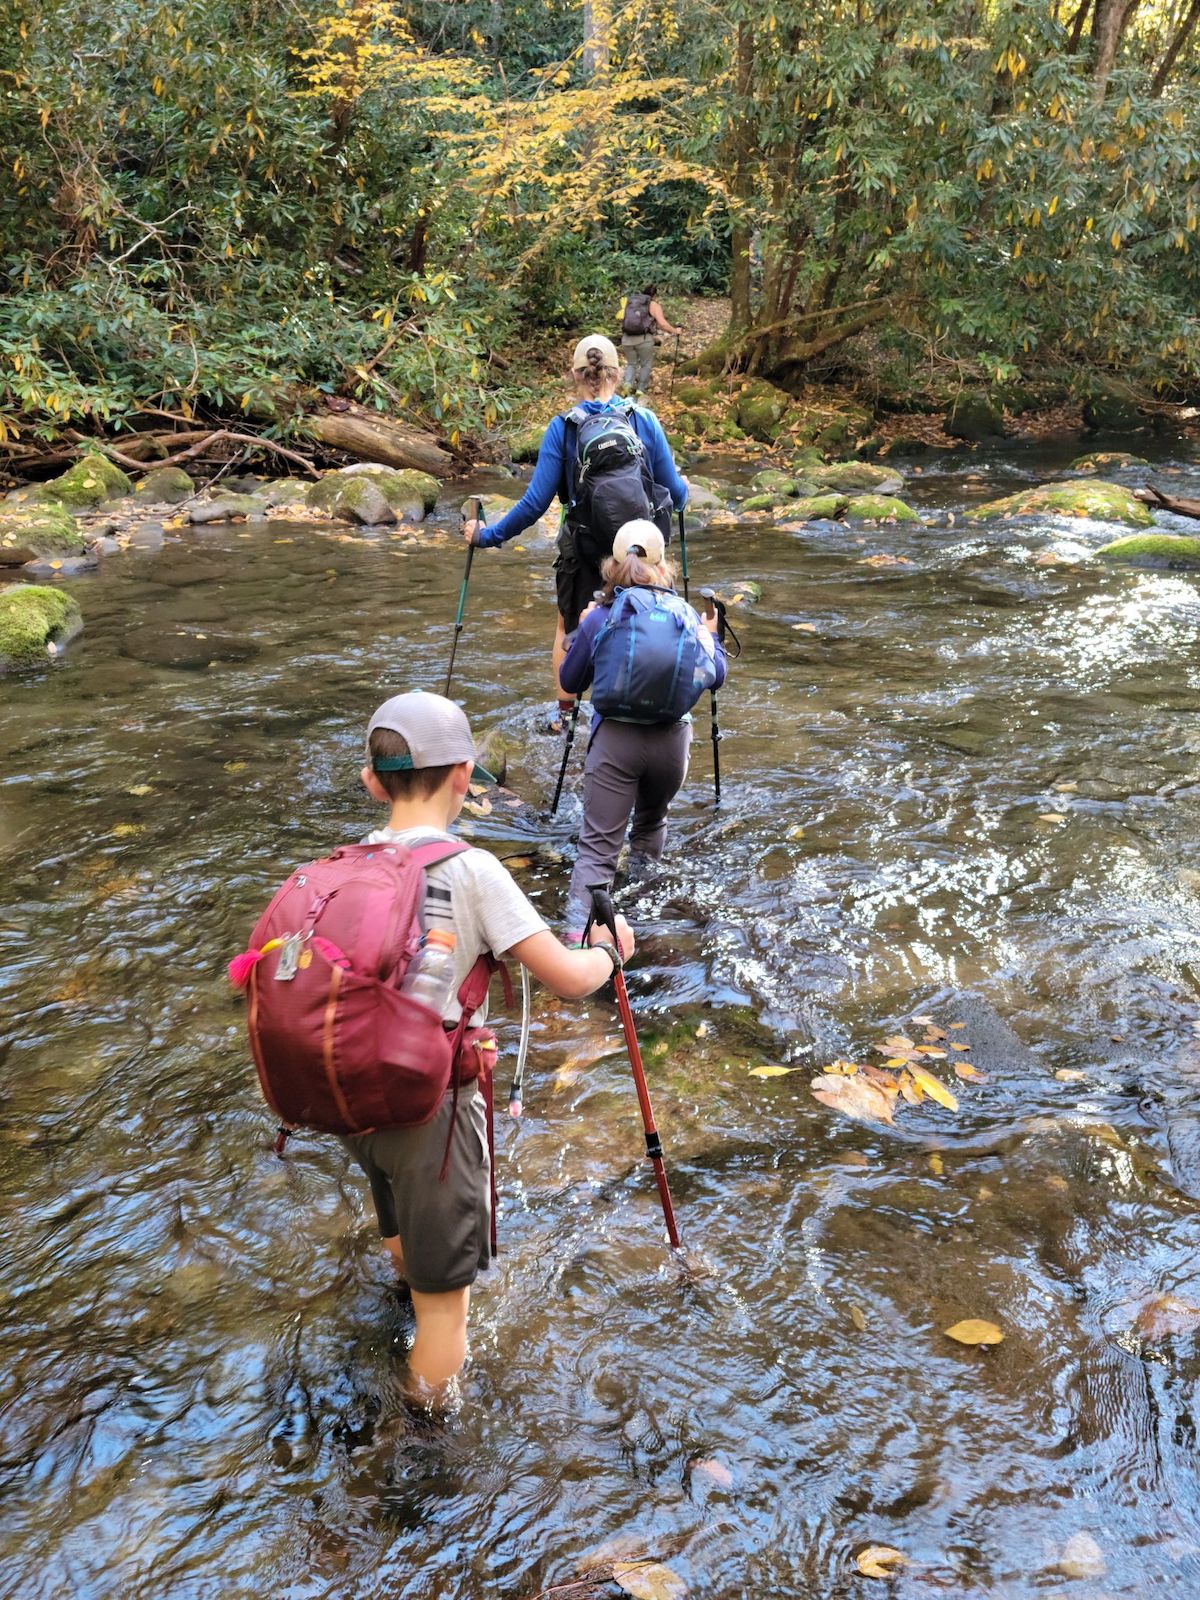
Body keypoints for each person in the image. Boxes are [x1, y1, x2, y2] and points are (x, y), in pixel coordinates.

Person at [347, 692, 634, 1401]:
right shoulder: (472, 870)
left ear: (372, 783)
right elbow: (567, 979)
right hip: (430, 1108)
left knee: (398, 1225)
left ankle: (402, 1291)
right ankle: (420, 1450)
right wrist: (610, 953)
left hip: (351, 1096)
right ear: (465, 775)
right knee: (448, 1311)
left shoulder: (350, 862)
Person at [462, 334, 688, 725]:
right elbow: (678, 496)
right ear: (619, 374)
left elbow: (535, 505)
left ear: (575, 375)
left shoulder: (563, 429)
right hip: (643, 551)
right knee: (645, 620)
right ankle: (645, 711)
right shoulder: (644, 422)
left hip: (583, 551)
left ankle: (565, 716)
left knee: (569, 626)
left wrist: (487, 535)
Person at [557, 521, 726, 937]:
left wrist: (582, 630)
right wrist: (713, 636)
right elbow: (717, 675)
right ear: (662, 565)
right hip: (672, 744)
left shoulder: (602, 617)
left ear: (612, 563)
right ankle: (644, 931)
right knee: (650, 829)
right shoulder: (685, 614)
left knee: (597, 852)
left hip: (617, 742)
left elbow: (571, 681)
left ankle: (577, 948)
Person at [620, 283, 683, 395]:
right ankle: (640, 390)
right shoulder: (653, 304)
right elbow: (662, 324)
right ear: (654, 295)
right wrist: (675, 331)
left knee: (631, 363)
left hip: (626, 338)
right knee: (646, 364)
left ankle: (627, 385)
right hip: (644, 339)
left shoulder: (630, 302)